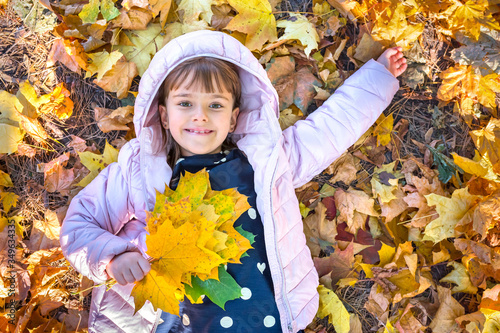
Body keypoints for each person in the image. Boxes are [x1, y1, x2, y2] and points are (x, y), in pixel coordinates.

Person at [60, 30, 406, 333]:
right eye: (185, 103)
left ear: (234, 117)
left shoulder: (266, 160)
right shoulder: (140, 171)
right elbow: (81, 222)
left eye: (215, 105)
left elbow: (329, 130)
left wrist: (378, 78)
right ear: (163, 115)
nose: (200, 115)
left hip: (273, 318)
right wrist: (113, 257)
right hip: (184, 322)